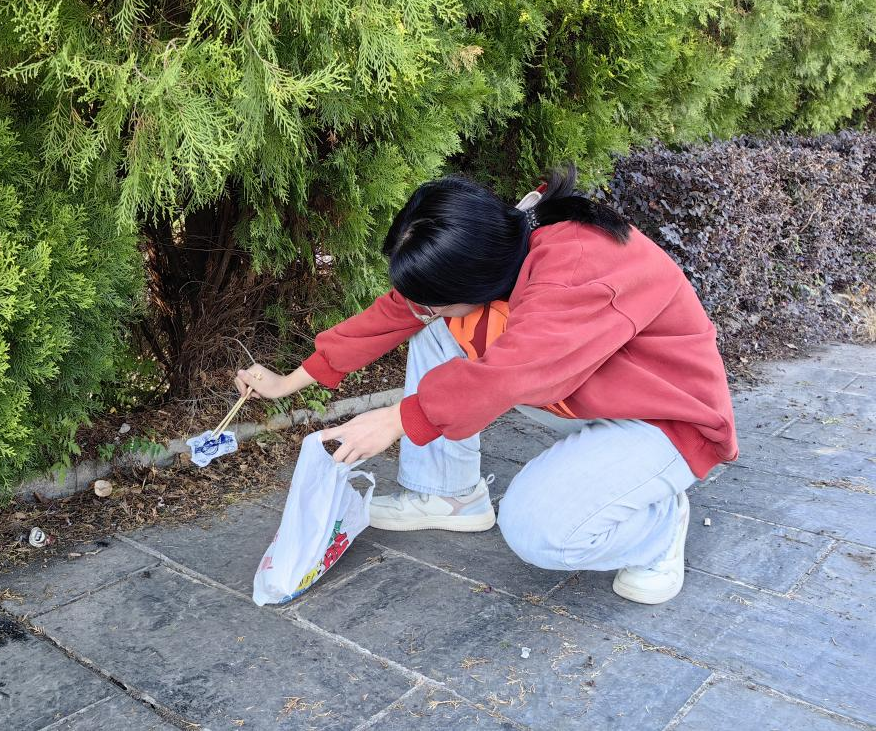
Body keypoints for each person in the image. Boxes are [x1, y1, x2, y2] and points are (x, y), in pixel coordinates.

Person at [234, 169, 737, 605]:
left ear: (475, 283)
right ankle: (448, 494)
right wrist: (288, 382)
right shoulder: (497, 244)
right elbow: (397, 313)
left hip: (665, 417)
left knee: (537, 531)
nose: (422, 308)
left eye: (435, 300)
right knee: (440, 331)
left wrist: (397, 419)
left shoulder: (577, 270)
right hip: (590, 388)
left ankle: (657, 529)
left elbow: (513, 372)